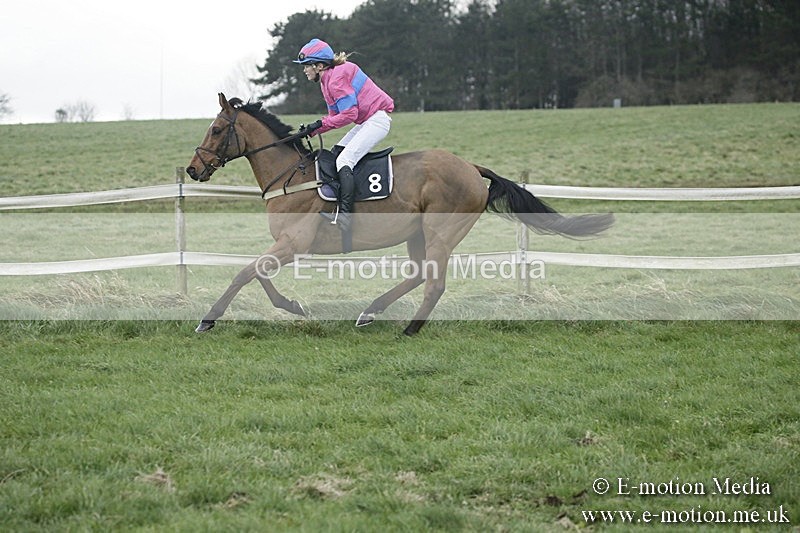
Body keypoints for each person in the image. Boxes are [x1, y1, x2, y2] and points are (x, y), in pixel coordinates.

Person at [294, 38, 394, 240]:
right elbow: (334, 117)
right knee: (336, 154)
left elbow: (348, 114)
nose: (304, 70)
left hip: (376, 120)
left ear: (319, 65)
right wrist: (312, 130)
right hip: (366, 121)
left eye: (306, 66)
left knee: (344, 161)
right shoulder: (326, 81)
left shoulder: (336, 79)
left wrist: (319, 126)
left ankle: (347, 217)